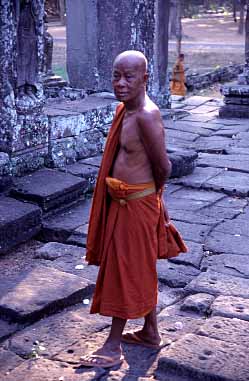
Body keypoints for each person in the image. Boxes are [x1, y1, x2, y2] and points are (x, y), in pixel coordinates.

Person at [81, 50, 173, 368]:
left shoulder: (147, 115)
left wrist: (152, 198)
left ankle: (112, 344)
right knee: (139, 265)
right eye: (116, 75)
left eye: (128, 77)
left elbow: (164, 166)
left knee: (123, 269)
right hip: (124, 200)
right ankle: (150, 332)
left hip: (136, 203)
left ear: (144, 79)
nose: (120, 83)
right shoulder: (126, 110)